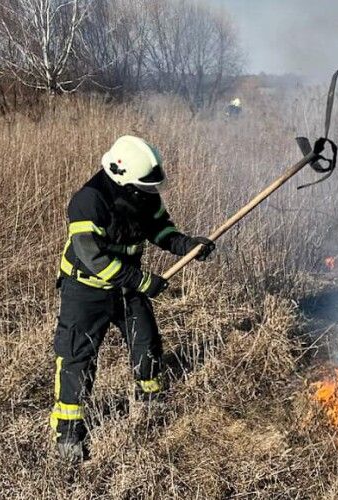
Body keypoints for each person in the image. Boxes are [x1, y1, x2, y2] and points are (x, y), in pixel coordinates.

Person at [50, 135, 215, 462]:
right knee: (76, 358)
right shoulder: (88, 201)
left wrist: (187, 246)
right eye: (145, 187)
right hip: (86, 291)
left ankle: (151, 405)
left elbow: (161, 230)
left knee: (147, 343)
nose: (152, 193)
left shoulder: (143, 193)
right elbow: (93, 259)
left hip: (127, 287)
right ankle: (68, 434)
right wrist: (141, 281)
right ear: (121, 176)